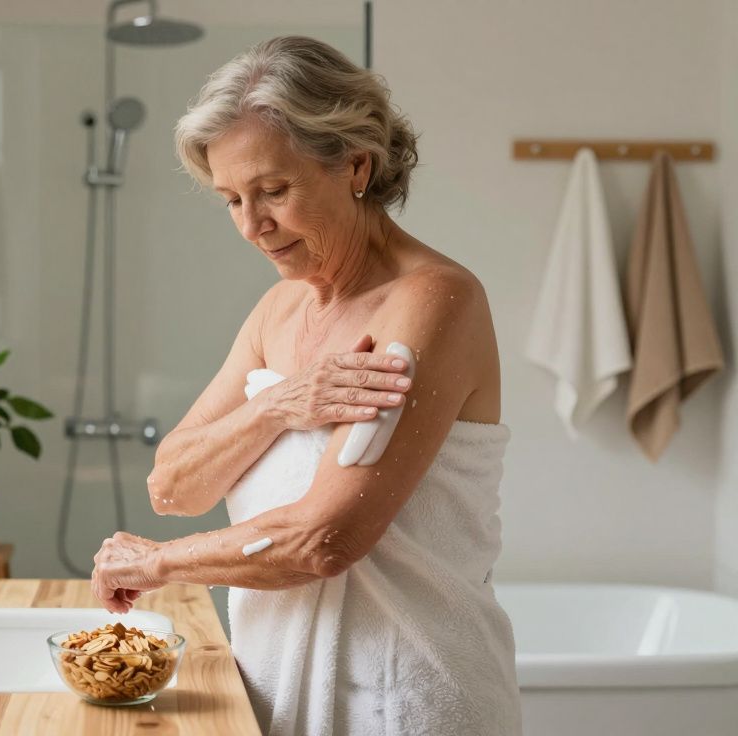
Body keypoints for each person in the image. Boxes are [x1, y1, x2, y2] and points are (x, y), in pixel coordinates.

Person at [89, 36, 522, 735]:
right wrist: (280, 406)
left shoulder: (434, 301)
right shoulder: (279, 310)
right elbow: (172, 483)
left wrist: (160, 564)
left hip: (404, 700)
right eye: (232, 199)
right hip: (274, 693)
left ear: (356, 164)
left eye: (274, 192)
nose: (252, 226)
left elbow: (326, 539)